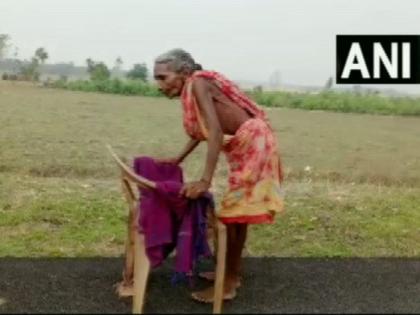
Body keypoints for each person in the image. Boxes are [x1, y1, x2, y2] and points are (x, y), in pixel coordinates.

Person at [153, 48, 285, 303]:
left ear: (182, 73)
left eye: (163, 77)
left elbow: (214, 132)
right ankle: (231, 273)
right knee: (238, 215)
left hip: (253, 144)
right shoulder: (194, 85)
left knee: (233, 216)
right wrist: (178, 159)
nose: (158, 84)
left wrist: (204, 180)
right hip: (248, 144)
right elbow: (201, 131)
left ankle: (228, 284)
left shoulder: (198, 83)